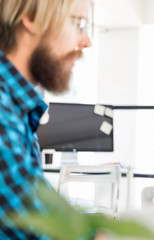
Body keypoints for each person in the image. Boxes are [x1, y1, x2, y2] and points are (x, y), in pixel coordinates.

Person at [0, 0, 91, 238]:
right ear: (31, 17)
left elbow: (42, 205)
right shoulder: (3, 110)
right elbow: (42, 230)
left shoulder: (18, 108)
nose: (86, 41)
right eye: (77, 23)